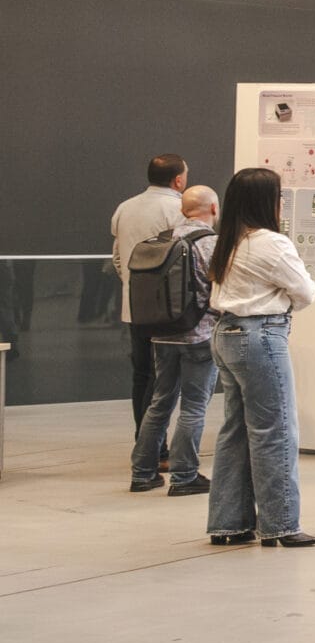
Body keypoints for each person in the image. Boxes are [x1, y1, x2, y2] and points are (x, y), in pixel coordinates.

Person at [203, 168, 315, 548]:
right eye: (279, 195)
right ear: (266, 201)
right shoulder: (271, 243)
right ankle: (281, 524)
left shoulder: (228, 241)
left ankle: (227, 523)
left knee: (235, 430)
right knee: (276, 429)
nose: (282, 202)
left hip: (226, 334)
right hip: (261, 336)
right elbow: (304, 292)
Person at [130, 186, 220, 496]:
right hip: (199, 334)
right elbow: (220, 292)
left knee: (159, 403)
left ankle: (142, 474)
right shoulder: (211, 244)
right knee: (193, 407)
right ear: (213, 210)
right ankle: (184, 477)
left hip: (162, 332)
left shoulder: (163, 239)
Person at [111, 153, 189, 440]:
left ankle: (142, 442)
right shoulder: (179, 208)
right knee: (163, 381)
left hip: (133, 308)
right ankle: (155, 448)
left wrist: (133, 284)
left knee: (142, 375)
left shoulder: (125, 207)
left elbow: (118, 258)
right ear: (178, 179)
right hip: (166, 309)